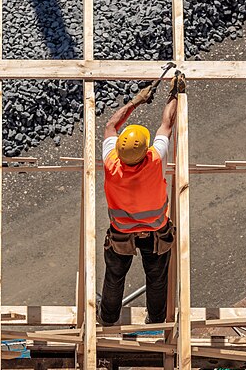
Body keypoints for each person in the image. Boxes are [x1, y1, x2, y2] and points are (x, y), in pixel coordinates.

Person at [98, 72, 186, 326]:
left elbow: (110, 127)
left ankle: (107, 318)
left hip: (122, 232)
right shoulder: (155, 159)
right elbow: (167, 124)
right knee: (156, 278)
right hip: (155, 232)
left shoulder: (111, 162)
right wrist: (174, 95)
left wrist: (134, 102)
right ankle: (157, 320)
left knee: (115, 276)